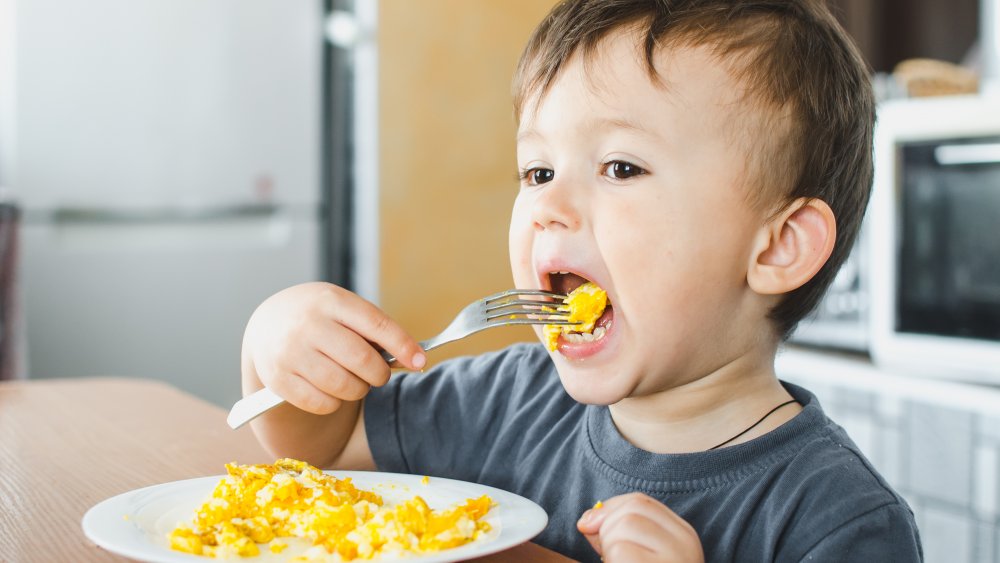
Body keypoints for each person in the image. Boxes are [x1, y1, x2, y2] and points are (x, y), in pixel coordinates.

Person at [239, 0, 922, 560]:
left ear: (778, 248)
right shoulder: (509, 402)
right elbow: (323, 444)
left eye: (621, 167)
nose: (547, 207)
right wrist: (279, 341)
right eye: (537, 172)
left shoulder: (842, 524)